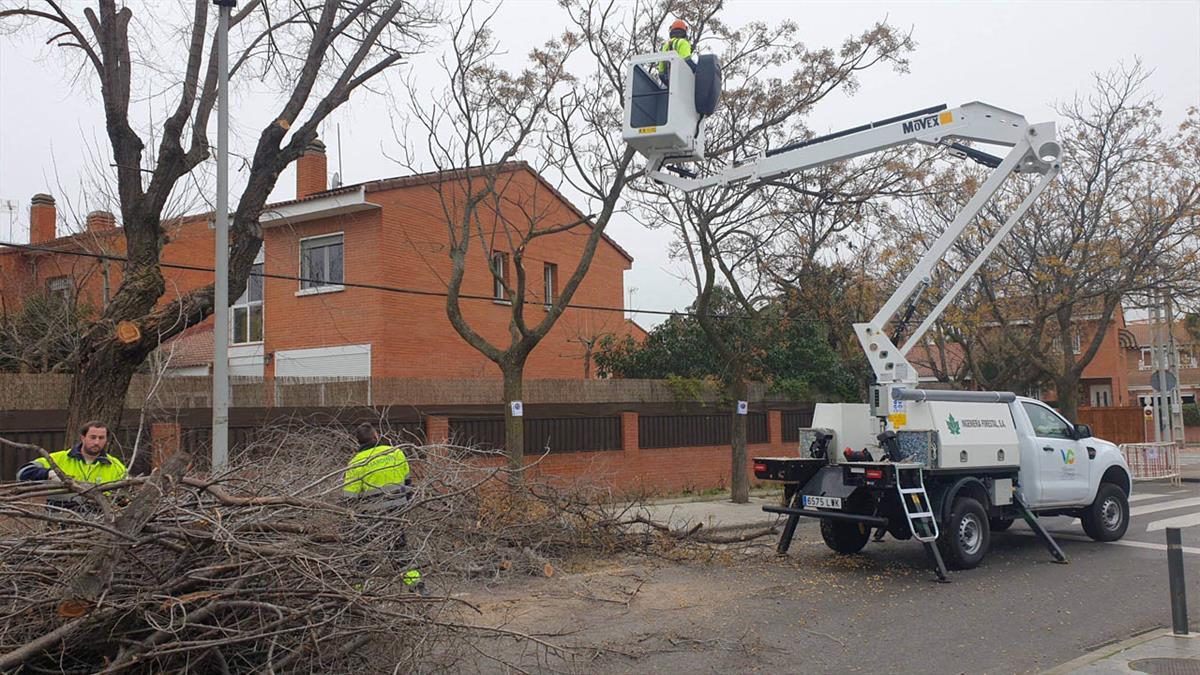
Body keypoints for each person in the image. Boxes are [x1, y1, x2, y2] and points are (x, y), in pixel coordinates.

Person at [342, 423, 424, 594]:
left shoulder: (356, 462)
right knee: (400, 550)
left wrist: (348, 522)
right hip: (396, 512)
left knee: (364, 552)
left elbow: (349, 498)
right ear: (376, 435)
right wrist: (404, 504)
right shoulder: (395, 452)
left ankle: (360, 591)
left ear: (358, 441)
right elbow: (408, 483)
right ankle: (417, 587)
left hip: (370, 515)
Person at [16, 420, 128, 510]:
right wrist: (49, 473)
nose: (96, 442)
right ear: (83, 438)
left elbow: (125, 499)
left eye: (101, 438)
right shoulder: (59, 459)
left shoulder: (116, 466)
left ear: (106, 440)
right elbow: (22, 473)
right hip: (60, 523)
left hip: (98, 525)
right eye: (92, 437)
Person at [657, 19, 695, 86]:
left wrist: (669, 84)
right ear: (684, 32)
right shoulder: (683, 43)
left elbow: (661, 73)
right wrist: (698, 71)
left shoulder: (665, 46)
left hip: (671, 83)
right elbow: (687, 61)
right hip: (682, 81)